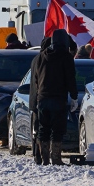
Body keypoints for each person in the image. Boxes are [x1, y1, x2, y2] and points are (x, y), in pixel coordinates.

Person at [30, 29, 77, 165]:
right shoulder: (66, 57)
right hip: (59, 98)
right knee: (57, 129)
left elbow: (36, 79)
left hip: (42, 98)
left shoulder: (40, 57)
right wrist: (74, 97)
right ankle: (55, 158)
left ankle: (44, 159)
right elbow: (70, 79)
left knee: (43, 129)